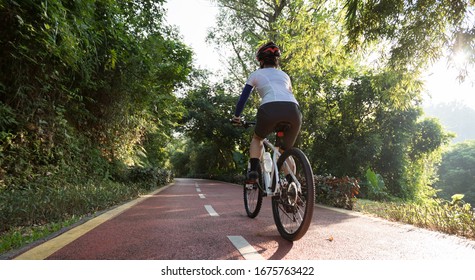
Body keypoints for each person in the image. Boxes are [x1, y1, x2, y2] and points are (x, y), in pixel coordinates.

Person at [231, 41, 302, 183]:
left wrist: (237, 116)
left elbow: (243, 98)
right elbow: (288, 94)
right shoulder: (285, 76)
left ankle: (253, 172)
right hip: (294, 111)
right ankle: (292, 186)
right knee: (285, 151)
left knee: (258, 138)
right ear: (276, 61)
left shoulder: (256, 75)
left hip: (270, 109)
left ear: (261, 61)